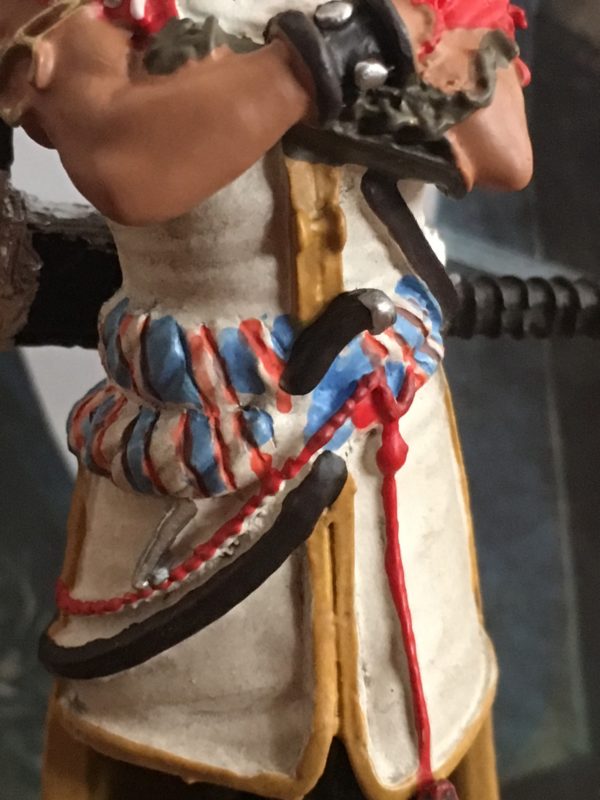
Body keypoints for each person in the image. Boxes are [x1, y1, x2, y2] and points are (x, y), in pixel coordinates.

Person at [0, 1, 533, 798]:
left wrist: (418, 32)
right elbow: (131, 163)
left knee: (412, 721)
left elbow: (502, 152)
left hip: (392, 470)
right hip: (200, 491)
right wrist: (314, 60)